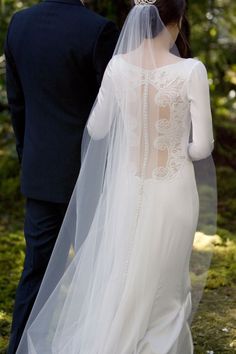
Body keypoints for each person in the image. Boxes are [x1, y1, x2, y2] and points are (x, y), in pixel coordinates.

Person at [15, 0, 217, 353]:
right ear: (178, 19)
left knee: (122, 272)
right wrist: (172, 148)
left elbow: (97, 126)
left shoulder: (118, 67)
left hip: (126, 187)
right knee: (165, 280)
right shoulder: (190, 71)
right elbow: (202, 148)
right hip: (173, 192)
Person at [4, 0, 119, 352]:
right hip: (87, 176)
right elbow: (111, 111)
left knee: (36, 270)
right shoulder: (98, 29)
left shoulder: (19, 24)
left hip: (40, 172)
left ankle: (19, 347)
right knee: (92, 271)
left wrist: (30, 159)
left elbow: (17, 102)